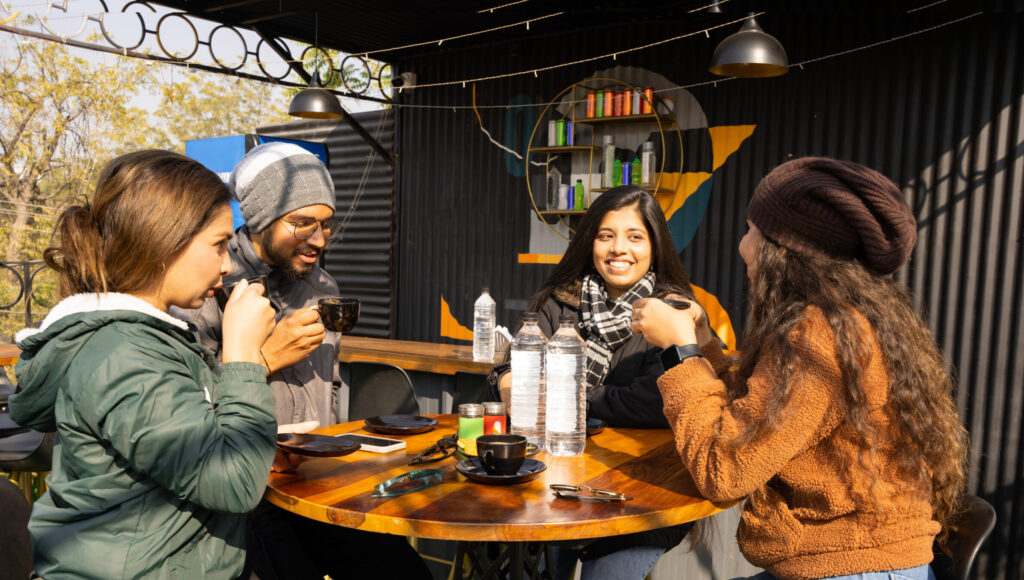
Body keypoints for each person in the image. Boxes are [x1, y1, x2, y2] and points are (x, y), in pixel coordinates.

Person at [632, 157, 969, 580]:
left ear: (787, 251)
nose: (742, 245)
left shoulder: (818, 337)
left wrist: (680, 354)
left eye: (753, 230)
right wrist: (704, 344)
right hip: (865, 563)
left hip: (852, 569)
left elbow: (724, 470)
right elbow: (764, 419)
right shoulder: (846, 320)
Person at [9, 150, 278, 578]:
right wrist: (243, 354)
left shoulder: (143, 340)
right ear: (164, 239)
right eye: (218, 245)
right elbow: (233, 483)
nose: (227, 266)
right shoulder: (122, 353)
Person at [190, 141, 431, 579]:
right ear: (261, 219)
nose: (318, 239)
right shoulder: (209, 286)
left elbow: (330, 380)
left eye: (325, 225)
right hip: (248, 493)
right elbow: (190, 407)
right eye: (302, 224)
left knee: (405, 572)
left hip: (318, 481)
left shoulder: (321, 285)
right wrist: (264, 357)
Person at [490, 185, 698, 579]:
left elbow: (655, 402)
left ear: (655, 245)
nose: (619, 248)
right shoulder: (560, 300)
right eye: (606, 235)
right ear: (590, 242)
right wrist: (511, 383)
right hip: (554, 485)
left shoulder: (671, 310)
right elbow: (510, 366)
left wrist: (563, 397)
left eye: (635, 236)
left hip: (638, 495)